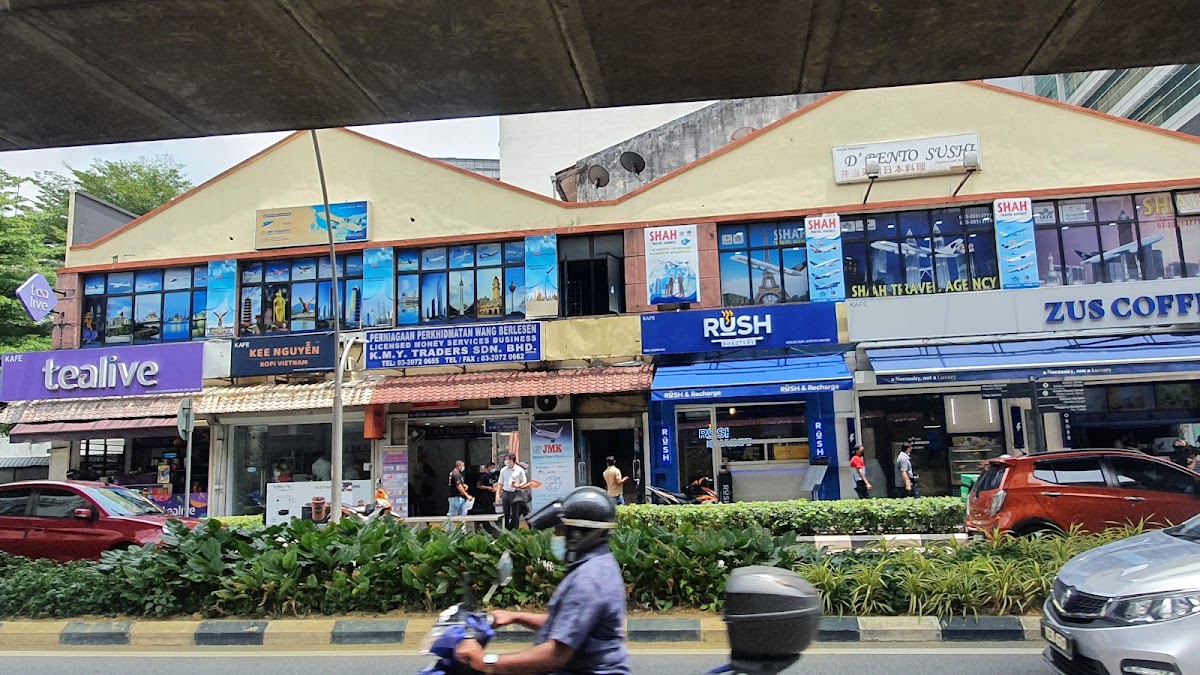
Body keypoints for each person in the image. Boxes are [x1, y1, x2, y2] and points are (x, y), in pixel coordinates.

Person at [456, 486, 632, 675]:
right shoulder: (599, 563)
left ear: (578, 534)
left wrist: (487, 661)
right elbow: (569, 622)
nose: (557, 537)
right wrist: (516, 616)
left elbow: (555, 655)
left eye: (560, 530)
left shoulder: (588, 579)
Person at [496, 453, 529, 530]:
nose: (506, 461)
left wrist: (519, 485)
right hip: (506, 491)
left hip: (516, 492)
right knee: (506, 512)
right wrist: (498, 493)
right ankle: (506, 529)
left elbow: (524, 481)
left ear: (512, 460)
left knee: (515, 512)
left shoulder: (519, 470)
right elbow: (500, 482)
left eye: (507, 460)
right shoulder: (503, 470)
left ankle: (515, 529)